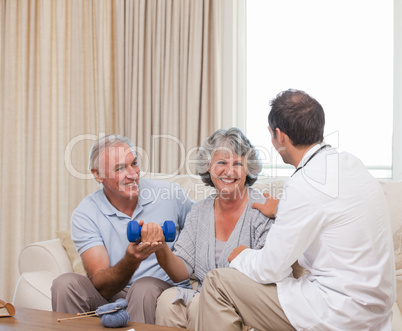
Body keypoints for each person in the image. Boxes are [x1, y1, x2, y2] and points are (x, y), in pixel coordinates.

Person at [196, 89, 396, 330]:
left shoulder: (303, 183)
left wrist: (241, 256)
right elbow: (332, 211)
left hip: (338, 311)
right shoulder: (352, 164)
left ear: (279, 136)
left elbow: (268, 268)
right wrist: (282, 210)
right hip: (376, 310)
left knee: (218, 282)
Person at [51, 134, 194, 323]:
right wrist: (131, 259)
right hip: (114, 290)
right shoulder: (85, 213)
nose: (133, 174)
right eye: (120, 168)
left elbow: (201, 233)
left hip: (159, 288)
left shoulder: (171, 195)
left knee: (144, 287)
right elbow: (102, 285)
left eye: (134, 163)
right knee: (64, 284)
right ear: (97, 174)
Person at [153, 127, 274, 330]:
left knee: (201, 305)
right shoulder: (199, 211)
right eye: (221, 163)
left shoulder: (262, 209)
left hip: (244, 301)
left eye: (237, 163)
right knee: (168, 300)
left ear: (248, 169)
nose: (229, 171)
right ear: (208, 167)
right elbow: (181, 272)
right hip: (202, 295)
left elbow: (268, 271)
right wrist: (160, 248)